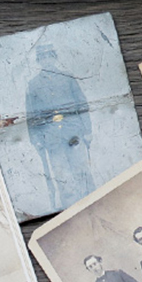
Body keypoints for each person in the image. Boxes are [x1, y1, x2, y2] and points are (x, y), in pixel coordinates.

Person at [25, 43, 95, 211]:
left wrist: (88, 130)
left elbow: (82, 104)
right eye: (42, 57)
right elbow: (31, 115)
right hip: (52, 139)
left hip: (74, 133)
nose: (46, 60)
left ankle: (94, 202)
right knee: (62, 177)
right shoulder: (33, 85)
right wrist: (36, 139)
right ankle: (71, 211)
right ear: (39, 61)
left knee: (82, 172)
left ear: (54, 57)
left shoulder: (67, 77)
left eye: (49, 56)